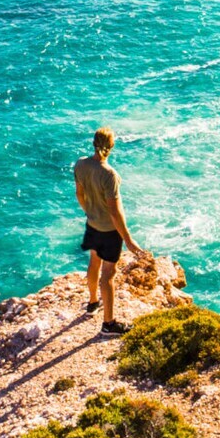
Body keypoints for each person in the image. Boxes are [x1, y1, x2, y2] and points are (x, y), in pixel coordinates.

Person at [73, 126, 146, 335]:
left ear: (94, 143)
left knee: (94, 262)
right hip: (109, 231)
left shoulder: (80, 165)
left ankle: (93, 302)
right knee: (109, 274)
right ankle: (109, 324)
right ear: (111, 146)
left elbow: (79, 194)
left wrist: (90, 212)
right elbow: (114, 211)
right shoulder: (109, 174)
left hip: (92, 224)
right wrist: (129, 240)